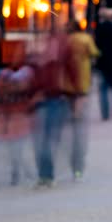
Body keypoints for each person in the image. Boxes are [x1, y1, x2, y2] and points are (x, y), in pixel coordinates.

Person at [30, 33, 77, 188]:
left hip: (57, 101)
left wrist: (73, 97)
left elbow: (73, 77)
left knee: (48, 140)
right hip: (40, 102)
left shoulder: (61, 62)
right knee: (40, 141)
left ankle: (47, 175)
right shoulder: (38, 61)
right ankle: (43, 174)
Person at [64, 21, 99, 180]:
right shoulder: (85, 38)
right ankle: (77, 113)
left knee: (71, 94)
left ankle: (72, 111)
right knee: (81, 93)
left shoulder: (66, 40)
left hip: (67, 77)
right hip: (82, 72)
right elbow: (94, 52)